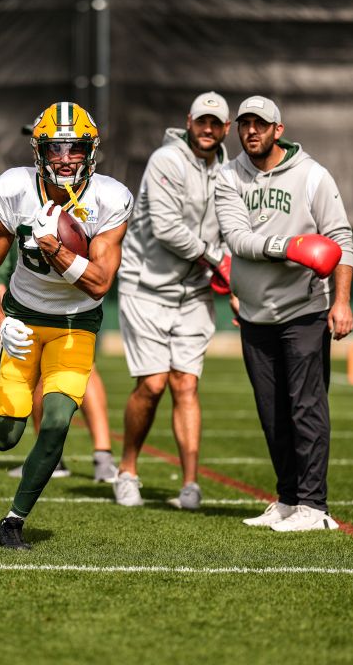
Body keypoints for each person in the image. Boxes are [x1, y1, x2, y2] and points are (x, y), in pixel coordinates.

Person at [0, 101, 133, 549]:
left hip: (74, 324)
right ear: (39, 150)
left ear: (91, 152)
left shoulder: (109, 198)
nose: (65, 158)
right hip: (23, 318)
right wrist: (0, 322)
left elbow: (99, 283)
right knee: (5, 437)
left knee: (59, 419)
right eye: (56, 148)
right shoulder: (14, 188)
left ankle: (13, 520)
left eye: (75, 148)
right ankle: (8, 404)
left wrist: (55, 249)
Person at [214, 96, 353, 532]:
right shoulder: (228, 176)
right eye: (245, 124)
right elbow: (237, 238)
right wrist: (290, 246)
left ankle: (315, 507)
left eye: (261, 124)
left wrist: (342, 301)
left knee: (306, 408)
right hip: (256, 312)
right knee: (271, 411)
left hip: (305, 310)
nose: (251, 131)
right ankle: (289, 500)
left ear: (279, 129)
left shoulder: (313, 175)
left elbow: (340, 239)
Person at [112, 91, 232, 511]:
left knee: (186, 384)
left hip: (195, 291)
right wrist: (221, 262)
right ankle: (127, 470)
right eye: (202, 121)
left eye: (216, 124)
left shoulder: (230, 172)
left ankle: (190, 485)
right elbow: (166, 229)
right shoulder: (166, 160)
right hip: (146, 287)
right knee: (152, 384)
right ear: (189, 121)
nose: (208, 129)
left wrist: (235, 281)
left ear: (225, 130)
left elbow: (234, 228)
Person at [0, 243, 117, 483]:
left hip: (55, 307)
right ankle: (102, 457)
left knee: (56, 372)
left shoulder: (20, 210)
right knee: (87, 369)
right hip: (81, 304)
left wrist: (6, 321)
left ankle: (51, 459)